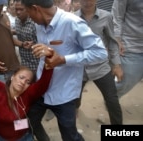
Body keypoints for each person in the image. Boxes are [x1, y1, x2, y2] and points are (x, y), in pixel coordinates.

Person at [21, 0, 108, 141]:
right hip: (41, 89)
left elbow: (100, 52)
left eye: (29, 13)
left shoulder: (72, 23)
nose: (29, 18)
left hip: (64, 93)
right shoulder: (39, 25)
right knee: (29, 120)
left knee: (69, 135)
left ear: (36, 9)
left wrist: (63, 59)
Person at [74, 0, 123, 124]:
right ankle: (75, 111)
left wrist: (116, 65)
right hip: (80, 67)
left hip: (100, 67)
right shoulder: (72, 18)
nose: (87, 2)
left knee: (112, 100)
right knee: (74, 99)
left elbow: (111, 41)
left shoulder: (106, 16)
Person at [112, 0, 143, 98]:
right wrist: (117, 39)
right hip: (132, 45)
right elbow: (117, 16)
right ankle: (112, 100)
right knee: (124, 82)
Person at [13, 0, 39, 72]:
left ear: (27, 9)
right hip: (24, 62)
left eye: (21, 9)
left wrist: (34, 45)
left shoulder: (35, 22)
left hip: (37, 63)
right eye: (16, 9)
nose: (18, 12)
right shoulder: (17, 21)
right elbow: (19, 33)